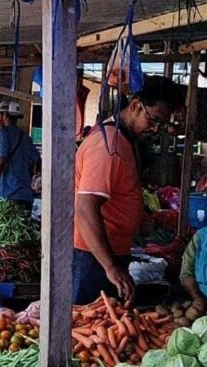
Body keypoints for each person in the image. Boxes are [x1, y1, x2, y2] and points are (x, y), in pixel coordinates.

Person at [73, 76, 185, 305]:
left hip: (109, 251)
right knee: (88, 326)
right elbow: (85, 208)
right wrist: (110, 266)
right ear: (135, 106)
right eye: (153, 120)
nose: (155, 129)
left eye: (162, 125)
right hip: (93, 256)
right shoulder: (108, 147)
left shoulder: (124, 140)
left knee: (106, 325)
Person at [0, 101, 40, 207]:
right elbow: (38, 161)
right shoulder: (26, 137)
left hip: (7, 195)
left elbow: (1, 159)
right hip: (25, 194)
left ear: (4, 115)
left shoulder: (2, 132)